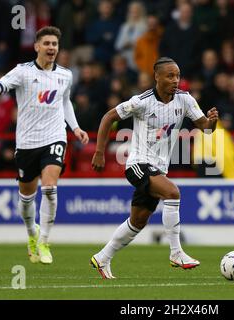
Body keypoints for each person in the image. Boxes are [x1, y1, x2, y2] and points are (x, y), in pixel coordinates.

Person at [0, 26, 89, 264]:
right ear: (36, 46)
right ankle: (32, 234)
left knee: (49, 187)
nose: (51, 48)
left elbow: (65, 102)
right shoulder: (22, 72)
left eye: (54, 44)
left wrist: (75, 128)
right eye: (46, 43)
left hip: (55, 137)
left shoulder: (66, 75)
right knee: (27, 197)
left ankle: (45, 241)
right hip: (27, 142)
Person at [90, 57, 219, 279]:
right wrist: (100, 152)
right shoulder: (141, 101)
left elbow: (206, 129)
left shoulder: (185, 100)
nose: (175, 80)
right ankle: (176, 253)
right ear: (156, 77)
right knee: (172, 193)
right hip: (138, 164)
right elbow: (108, 117)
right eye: (170, 76)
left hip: (158, 169)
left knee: (138, 221)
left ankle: (102, 257)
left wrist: (212, 121)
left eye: (177, 75)